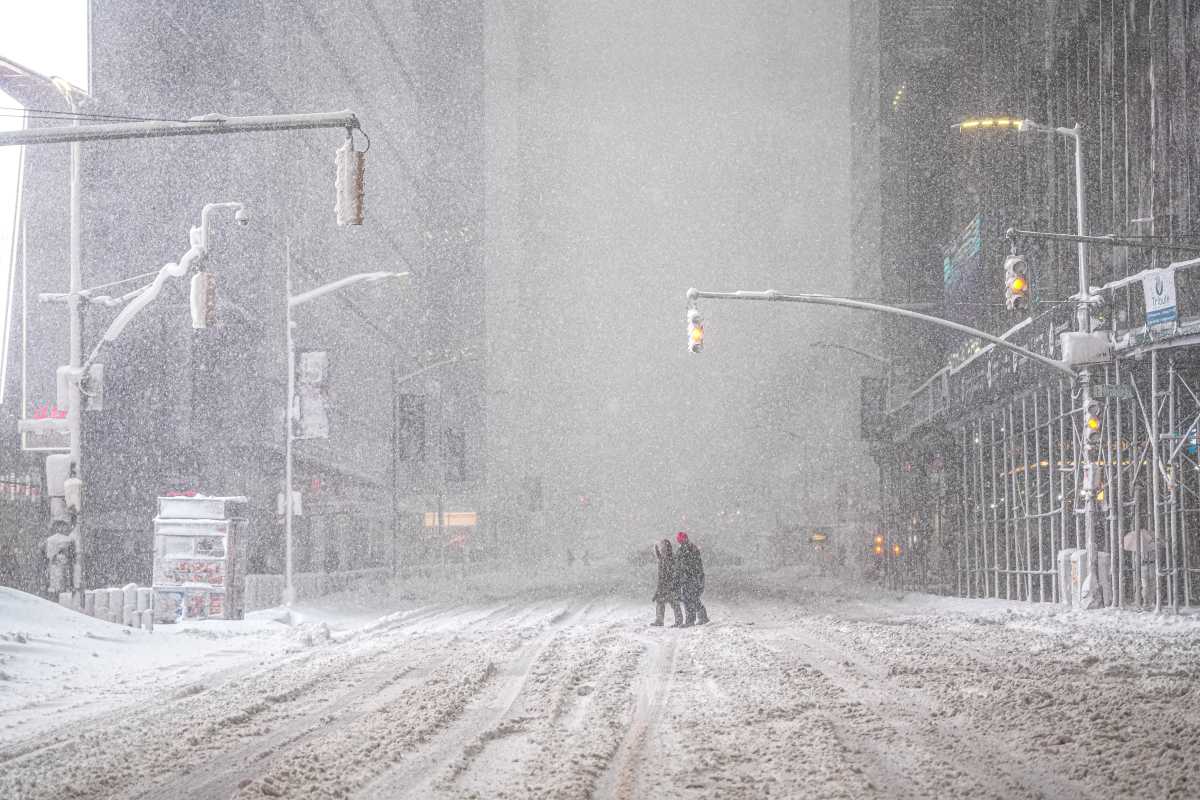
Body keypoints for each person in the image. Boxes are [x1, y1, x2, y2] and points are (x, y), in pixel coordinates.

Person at [676, 531, 708, 626]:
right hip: (689, 578)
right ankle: (701, 617)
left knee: (690, 599)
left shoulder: (688, 548)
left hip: (690, 578)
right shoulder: (686, 548)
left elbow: (692, 564)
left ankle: (692, 620)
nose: (681, 541)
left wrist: (685, 573)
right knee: (691, 598)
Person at [652, 538, 683, 627]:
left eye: (663, 546)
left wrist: (673, 583)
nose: (662, 548)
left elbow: (674, 571)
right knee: (660, 602)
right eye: (661, 547)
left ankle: (678, 621)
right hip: (662, 584)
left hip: (670, 584)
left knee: (674, 603)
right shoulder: (662, 557)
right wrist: (656, 548)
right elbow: (659, 556)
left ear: (667, 547)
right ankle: (659, 621)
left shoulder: (671, 558)